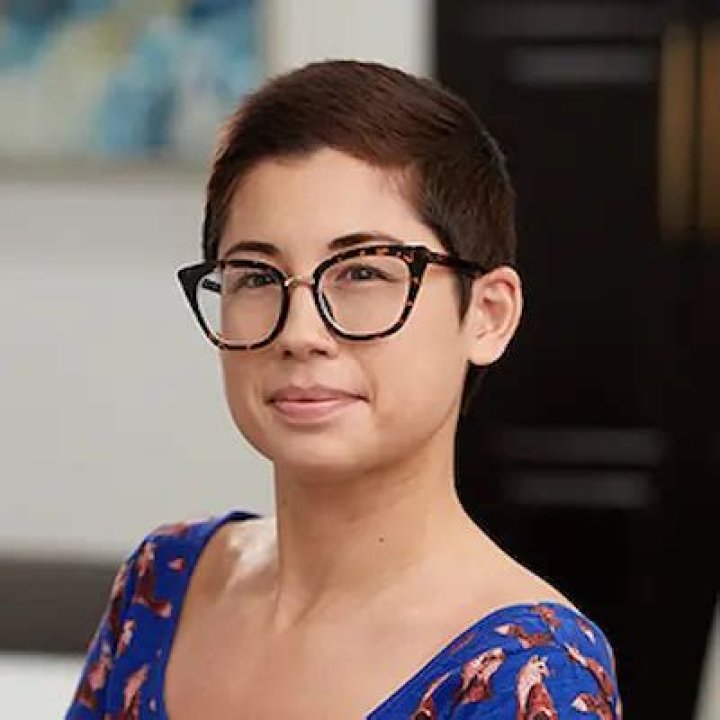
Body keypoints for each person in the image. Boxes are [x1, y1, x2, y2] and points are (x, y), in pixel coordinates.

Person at [65, 60, 622, 719]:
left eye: (362, 272)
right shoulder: (163, 584)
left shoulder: (527, 674)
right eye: (256, 276)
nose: (300, 333)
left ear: (488, 314)